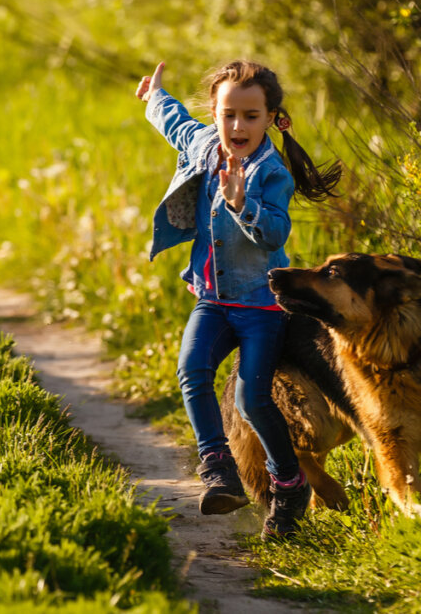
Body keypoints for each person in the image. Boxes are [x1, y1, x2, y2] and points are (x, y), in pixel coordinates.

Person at [135, 60, 340, 539]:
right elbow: (176, 125)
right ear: (215, 113)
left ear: (271, 118)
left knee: (251, 399)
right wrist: (155, 97)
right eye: (228, 114)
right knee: (192, 370)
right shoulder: (206, 144)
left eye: (250, 116)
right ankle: (218, 468)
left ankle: (288, 484)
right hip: (212, 298)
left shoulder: (272, 174)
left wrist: (238, 202)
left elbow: (274, 234)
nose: (237, 126)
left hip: (261, 307)